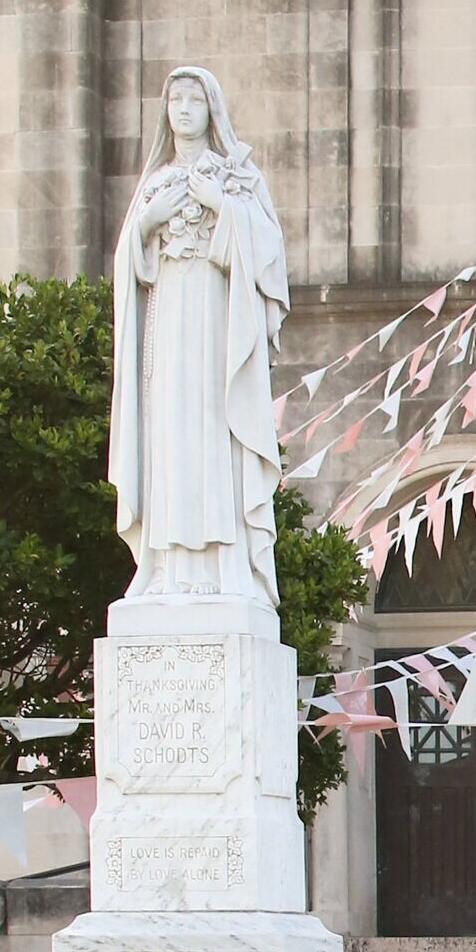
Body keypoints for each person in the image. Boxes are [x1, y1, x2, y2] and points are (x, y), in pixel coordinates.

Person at [109, 66, 291, 605]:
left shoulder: (236, 177)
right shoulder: (154, 184)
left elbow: (269, 257)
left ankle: (223, 565)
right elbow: (126, 266)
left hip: (216, 325)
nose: (184, 109)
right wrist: (147, 224)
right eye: (176, 100)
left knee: (215, 430)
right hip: (166, 325)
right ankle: (165, 566)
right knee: (168, 433)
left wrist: (219, 205)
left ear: (212, 109)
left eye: (195, 99)